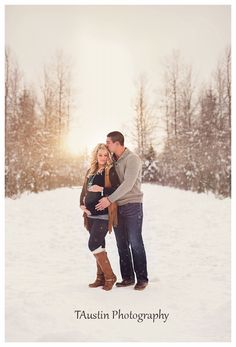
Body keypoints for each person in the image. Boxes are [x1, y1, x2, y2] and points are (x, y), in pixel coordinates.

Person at [96, 131, 148, 290]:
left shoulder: (132, 159)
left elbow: (128, 184)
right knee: (121, 244)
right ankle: (127, 278)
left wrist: (109, 199)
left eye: (108, 142)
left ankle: (142, 278)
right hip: (118, 207)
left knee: (135, 242)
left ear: (117, 143)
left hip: (132, 204)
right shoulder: (114, 161)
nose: (106, 145)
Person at [80, 143, 120, 291]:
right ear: (96, 156)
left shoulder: (110, 171)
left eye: (105, 155)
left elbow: (117, 189)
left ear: (108, 156)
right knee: (100, 245)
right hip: (90, 215)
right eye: (100, 155)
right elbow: (84, 190)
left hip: (103, 214)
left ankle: (110, 276)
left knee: (93, 244)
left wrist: (102, 189)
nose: (103, 158)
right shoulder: (90, 171)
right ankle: (100, 278)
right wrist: (81, 205)